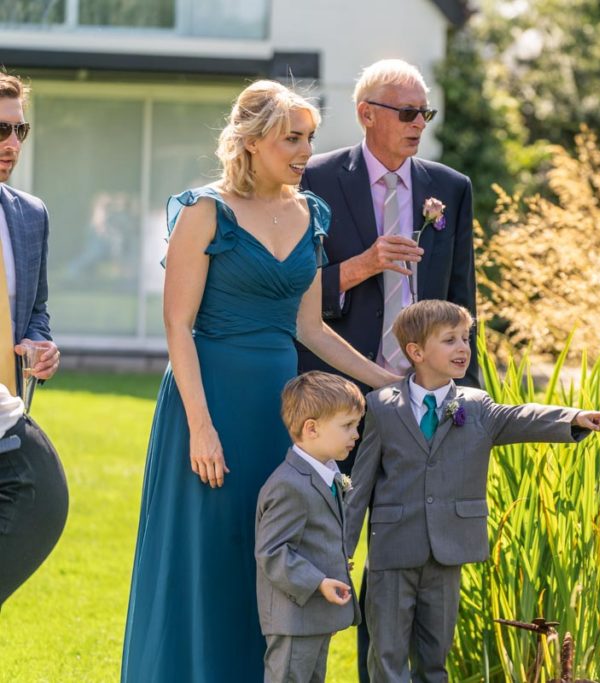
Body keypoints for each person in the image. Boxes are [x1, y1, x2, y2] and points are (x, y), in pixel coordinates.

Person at [121, 81, 400, 683]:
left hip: (278, 408)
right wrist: (200, 427)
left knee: (273, 545)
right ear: (249, 143)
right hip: (209, 401)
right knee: (211, 550)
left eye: (310, 139)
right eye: (290, 139)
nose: (304, 151)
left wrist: (386, 382)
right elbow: (177, 326)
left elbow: (310, 327)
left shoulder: (310, 212)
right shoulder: (203, 211)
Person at [345, 300, 600, 682]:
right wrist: (343, 551)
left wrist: (571, 417)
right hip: (392, 550)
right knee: (386, 657)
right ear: (416, 352)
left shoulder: (476, 406)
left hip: (447, 552)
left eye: (465, 339)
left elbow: (520, 415)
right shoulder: (381, 407)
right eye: (449, 340)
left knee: (434, 656)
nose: (462, 348)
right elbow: (361, 486)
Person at [299, 58, 480, 408]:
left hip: (425, 389)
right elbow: (295, 291)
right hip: (336, 388)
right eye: (407, 113)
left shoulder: (452, 187)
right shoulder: (314, 180)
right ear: (367, 114)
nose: (418, 124)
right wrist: (362, 266)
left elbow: (462, 298)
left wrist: (466, 395)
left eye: (424, 114)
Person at [0, 71, 66, 609]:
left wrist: (40, 346)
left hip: (8, 418)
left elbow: (35, 309)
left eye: (20, 130)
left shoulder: (29, 214)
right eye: (0, 130)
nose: (11, 144)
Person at [255, 371, 364, 683]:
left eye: (355, 425)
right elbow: (272, 552)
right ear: (312, 428)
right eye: (347, 426)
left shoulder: (327, 476)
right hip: (294, 617)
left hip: (315, 616)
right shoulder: (289, 485)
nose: (355, 434)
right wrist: (318, 582)